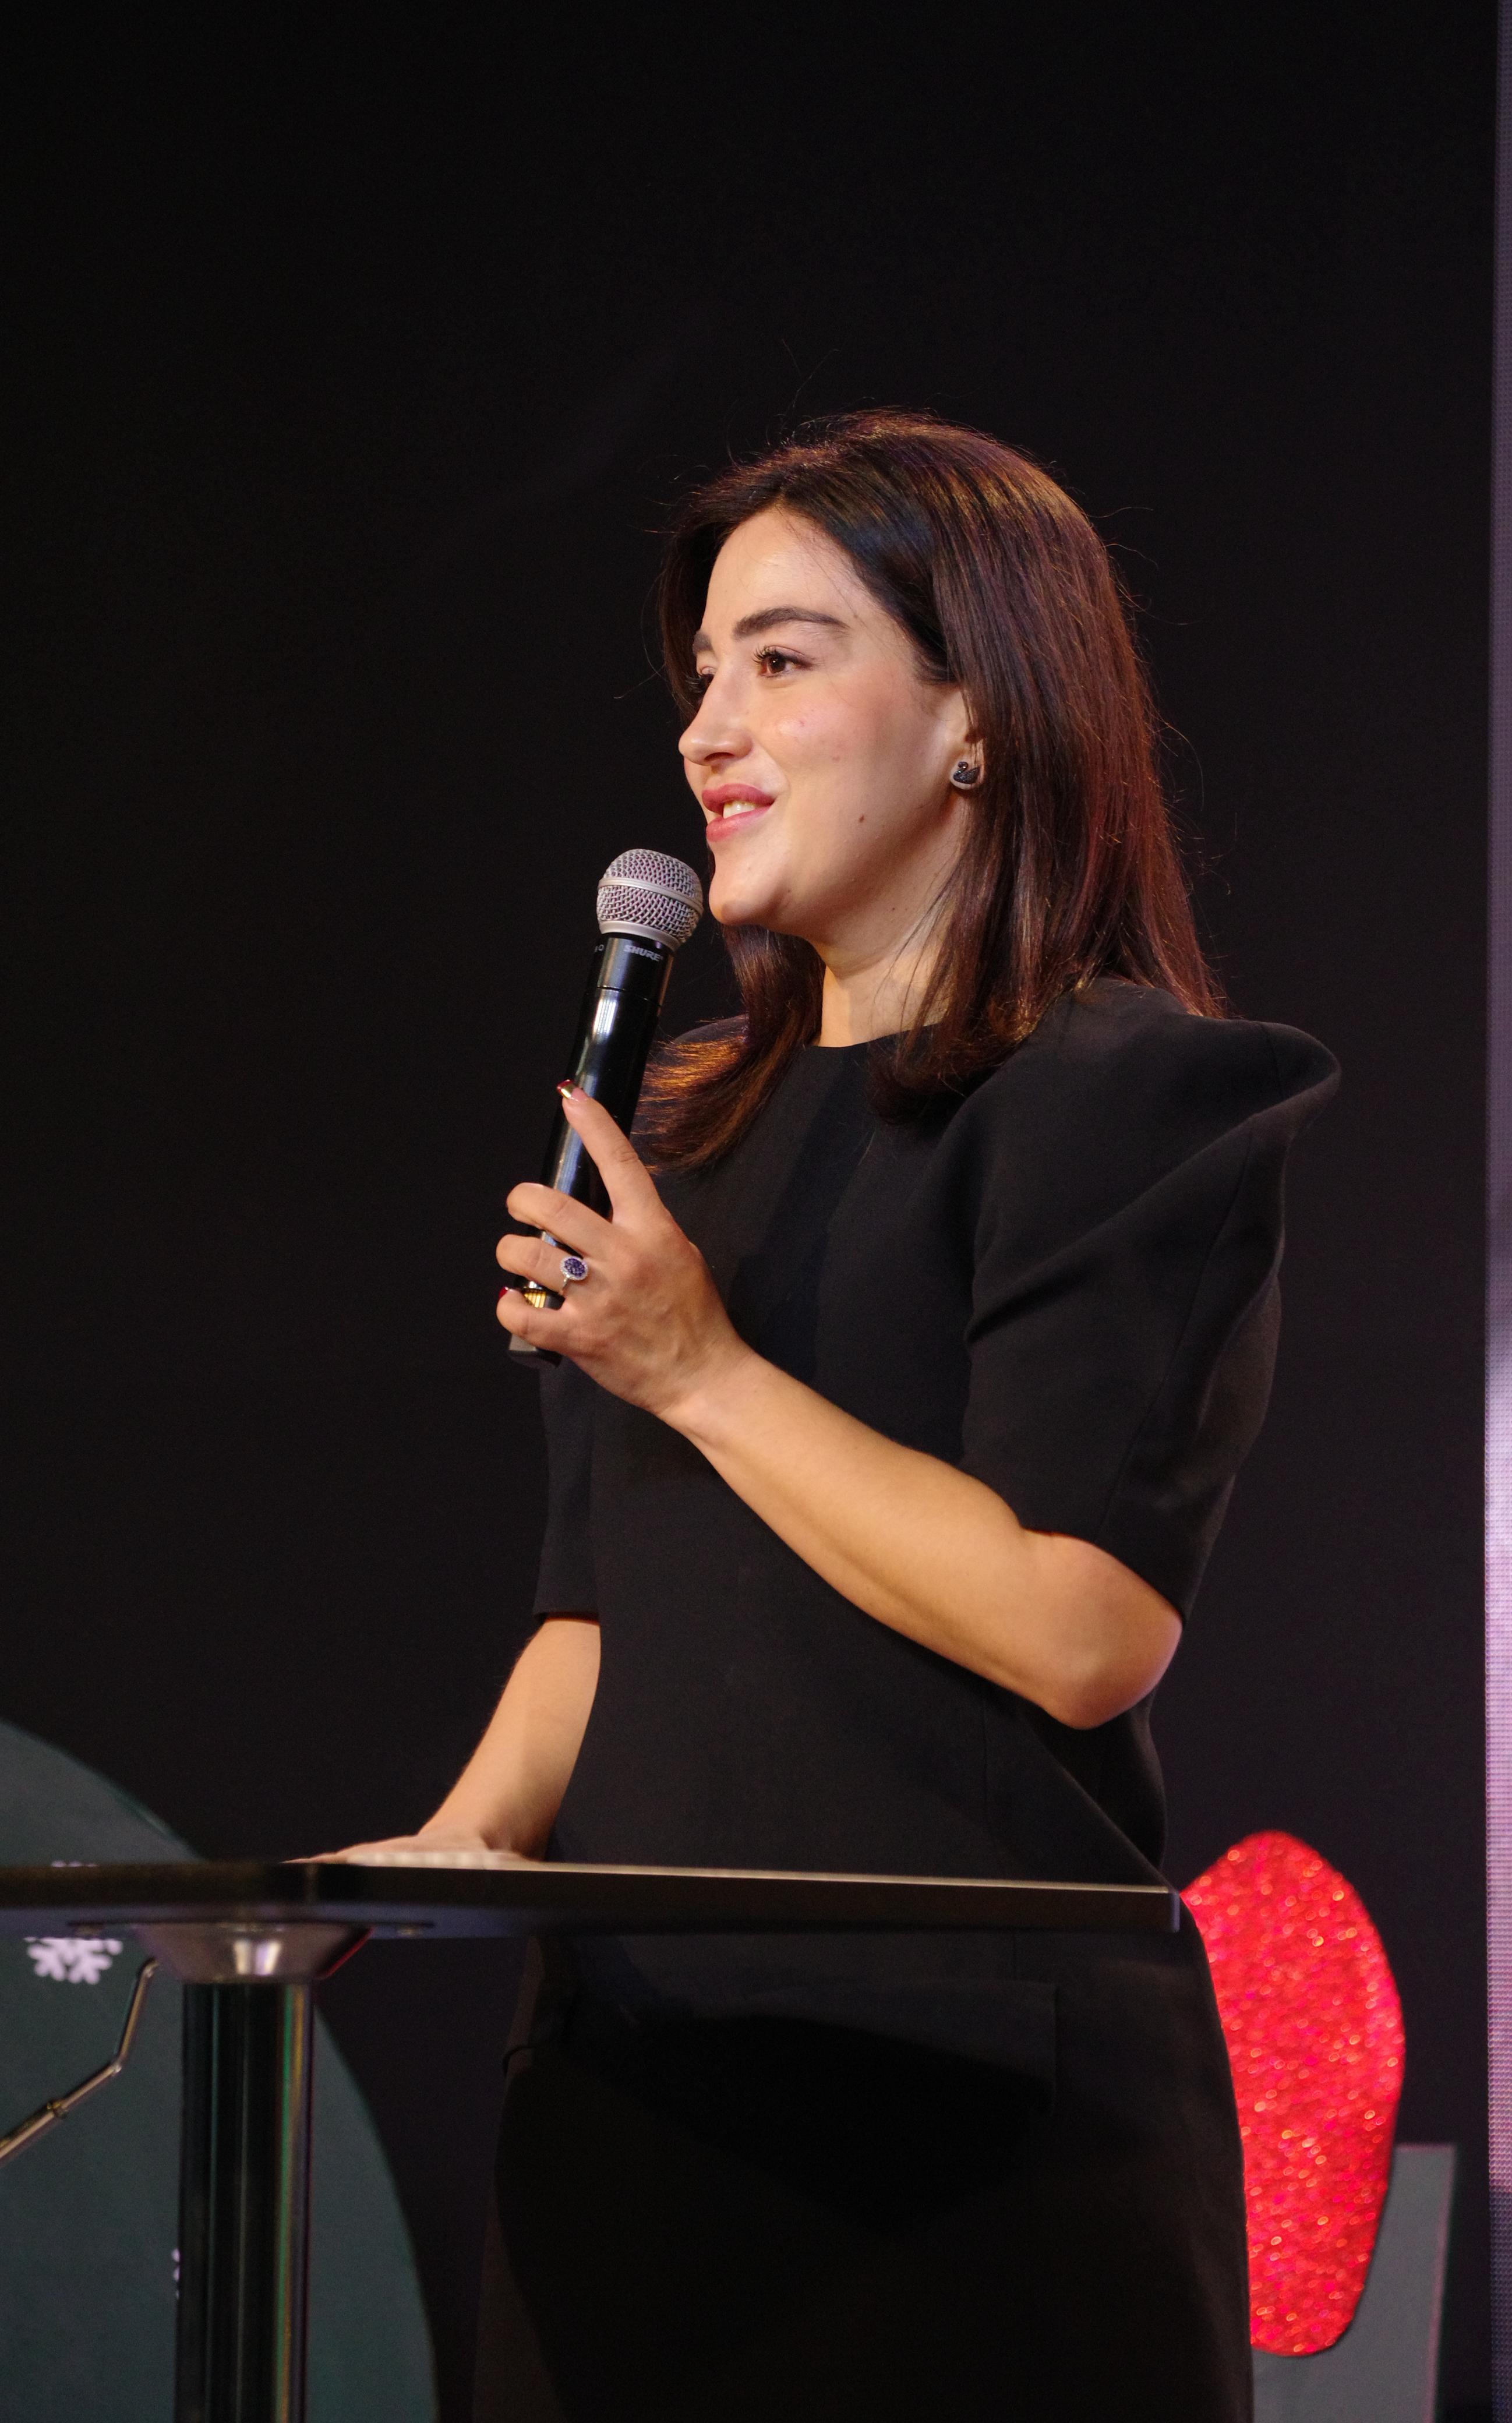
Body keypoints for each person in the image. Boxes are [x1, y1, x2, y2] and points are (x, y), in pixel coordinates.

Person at [349, 411, 1336, 2421]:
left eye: (784, 660)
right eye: (703, 673)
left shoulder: (1124, 1098)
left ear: (978, 712)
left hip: (956, 2137)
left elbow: (1080, 1627)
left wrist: (703, 1370)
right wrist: (455, 1843)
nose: (710, 729)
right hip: (634, 2111)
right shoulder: (681, 1130)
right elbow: (598, 1608)